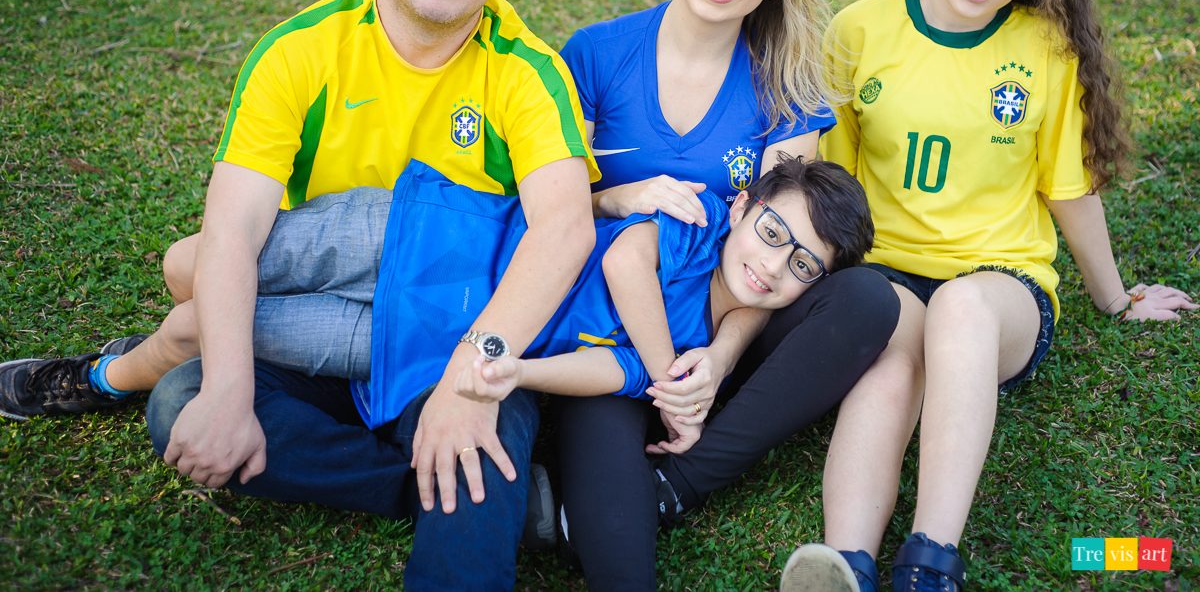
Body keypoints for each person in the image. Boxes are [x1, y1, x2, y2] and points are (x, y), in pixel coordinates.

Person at [0, 0, 600, 592]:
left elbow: (564, 226)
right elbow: (234, 228)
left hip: (452, 342)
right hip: (318, 327)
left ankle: (480, 491)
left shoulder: (526, 71)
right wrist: (227, 393)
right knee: (183, 401)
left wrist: (467, 381)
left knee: (478, 453)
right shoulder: (299, 51)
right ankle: (502, 504)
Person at [778, 0, 1197, 592]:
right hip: (888, 274)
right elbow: (831, 179)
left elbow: (1068, 189)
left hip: (999, 285)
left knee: (963, 311)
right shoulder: (863, 30)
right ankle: (843, 565)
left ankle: (930, 560)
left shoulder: (1045, 50)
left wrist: (1116, 297)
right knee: (888, 362)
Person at [554, 0, 901, 591]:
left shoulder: (784, 84)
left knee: (870, 299)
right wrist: (618, 197)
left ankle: (680, 481)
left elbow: (791, 241)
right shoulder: (593, 55)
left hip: (729, 334)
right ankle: (602, 495)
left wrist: (716, 360)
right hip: (617, 336)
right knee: (614, 552)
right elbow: (542, 207)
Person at [148, 155, 873, 474]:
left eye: (803, 266)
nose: (773, 265)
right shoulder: (697, 220)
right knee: (191, 264)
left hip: (416, 339)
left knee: (212, 329)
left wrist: (522, 368)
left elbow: (604, 369)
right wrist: (671, 384)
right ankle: (131, 363)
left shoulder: (693, 346)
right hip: (422, 236)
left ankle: (163, 347)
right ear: (746, 209)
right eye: (774, 234)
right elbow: (626, 265)